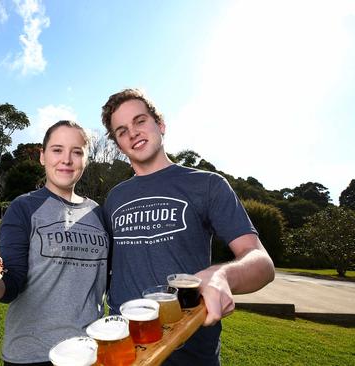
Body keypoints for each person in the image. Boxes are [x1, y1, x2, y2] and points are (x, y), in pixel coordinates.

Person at [100, 88, 275, 365]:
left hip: (190, 350)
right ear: (119, 144)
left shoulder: (208, 185)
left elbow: (262, 262)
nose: (132, 133)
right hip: (126, 348)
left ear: (161, 124)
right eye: (121, 131)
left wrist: (222, 275)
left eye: (140, 121)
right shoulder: (115, 198)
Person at [0, 120, 110, 366]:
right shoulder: (23, 208)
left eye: (76, 151)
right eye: (57, 150)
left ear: (86, 159)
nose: (66, 159)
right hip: (33, 355)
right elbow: (10, 286)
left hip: (90, 352)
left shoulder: (99, 213)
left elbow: (108, 281)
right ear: (42, 156)